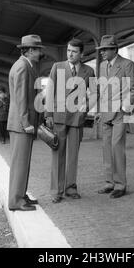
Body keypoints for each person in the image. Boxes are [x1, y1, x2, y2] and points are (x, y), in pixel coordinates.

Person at [45, 38, 96, 203]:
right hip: (59, 117)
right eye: (68, 51)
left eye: (74, 51)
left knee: (73, 155)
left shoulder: (89, 71)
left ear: (81, 53)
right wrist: (48, 115)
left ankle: (71, 188)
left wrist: (86, 108)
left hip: (76, 119)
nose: (70, 54)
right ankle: (56, 191)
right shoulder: (57, 67)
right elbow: (50, 91)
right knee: (58, 154)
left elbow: (95, 93)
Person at [95, 35, 134, 199]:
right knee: (106, 148)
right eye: (101, 50)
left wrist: (125, 105)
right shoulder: (101, 66)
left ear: (115, 49)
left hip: (120, 114)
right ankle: (109, 182)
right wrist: (99, 111)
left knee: (117, 147)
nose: (102, 53)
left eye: (105, 50)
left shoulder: (127, 65)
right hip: (106, 112)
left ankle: (120, 185)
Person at [7, 34, 43, 211]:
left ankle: (21, 194)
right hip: (21, 124)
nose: (39, 52)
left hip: (22, 124)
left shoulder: (27, 65)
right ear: (29, 51)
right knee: (20, 163)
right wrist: (26, 122)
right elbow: (21, 98)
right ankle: (15, 201)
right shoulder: (22, 66)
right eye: (37, 49)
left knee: (23, 162)